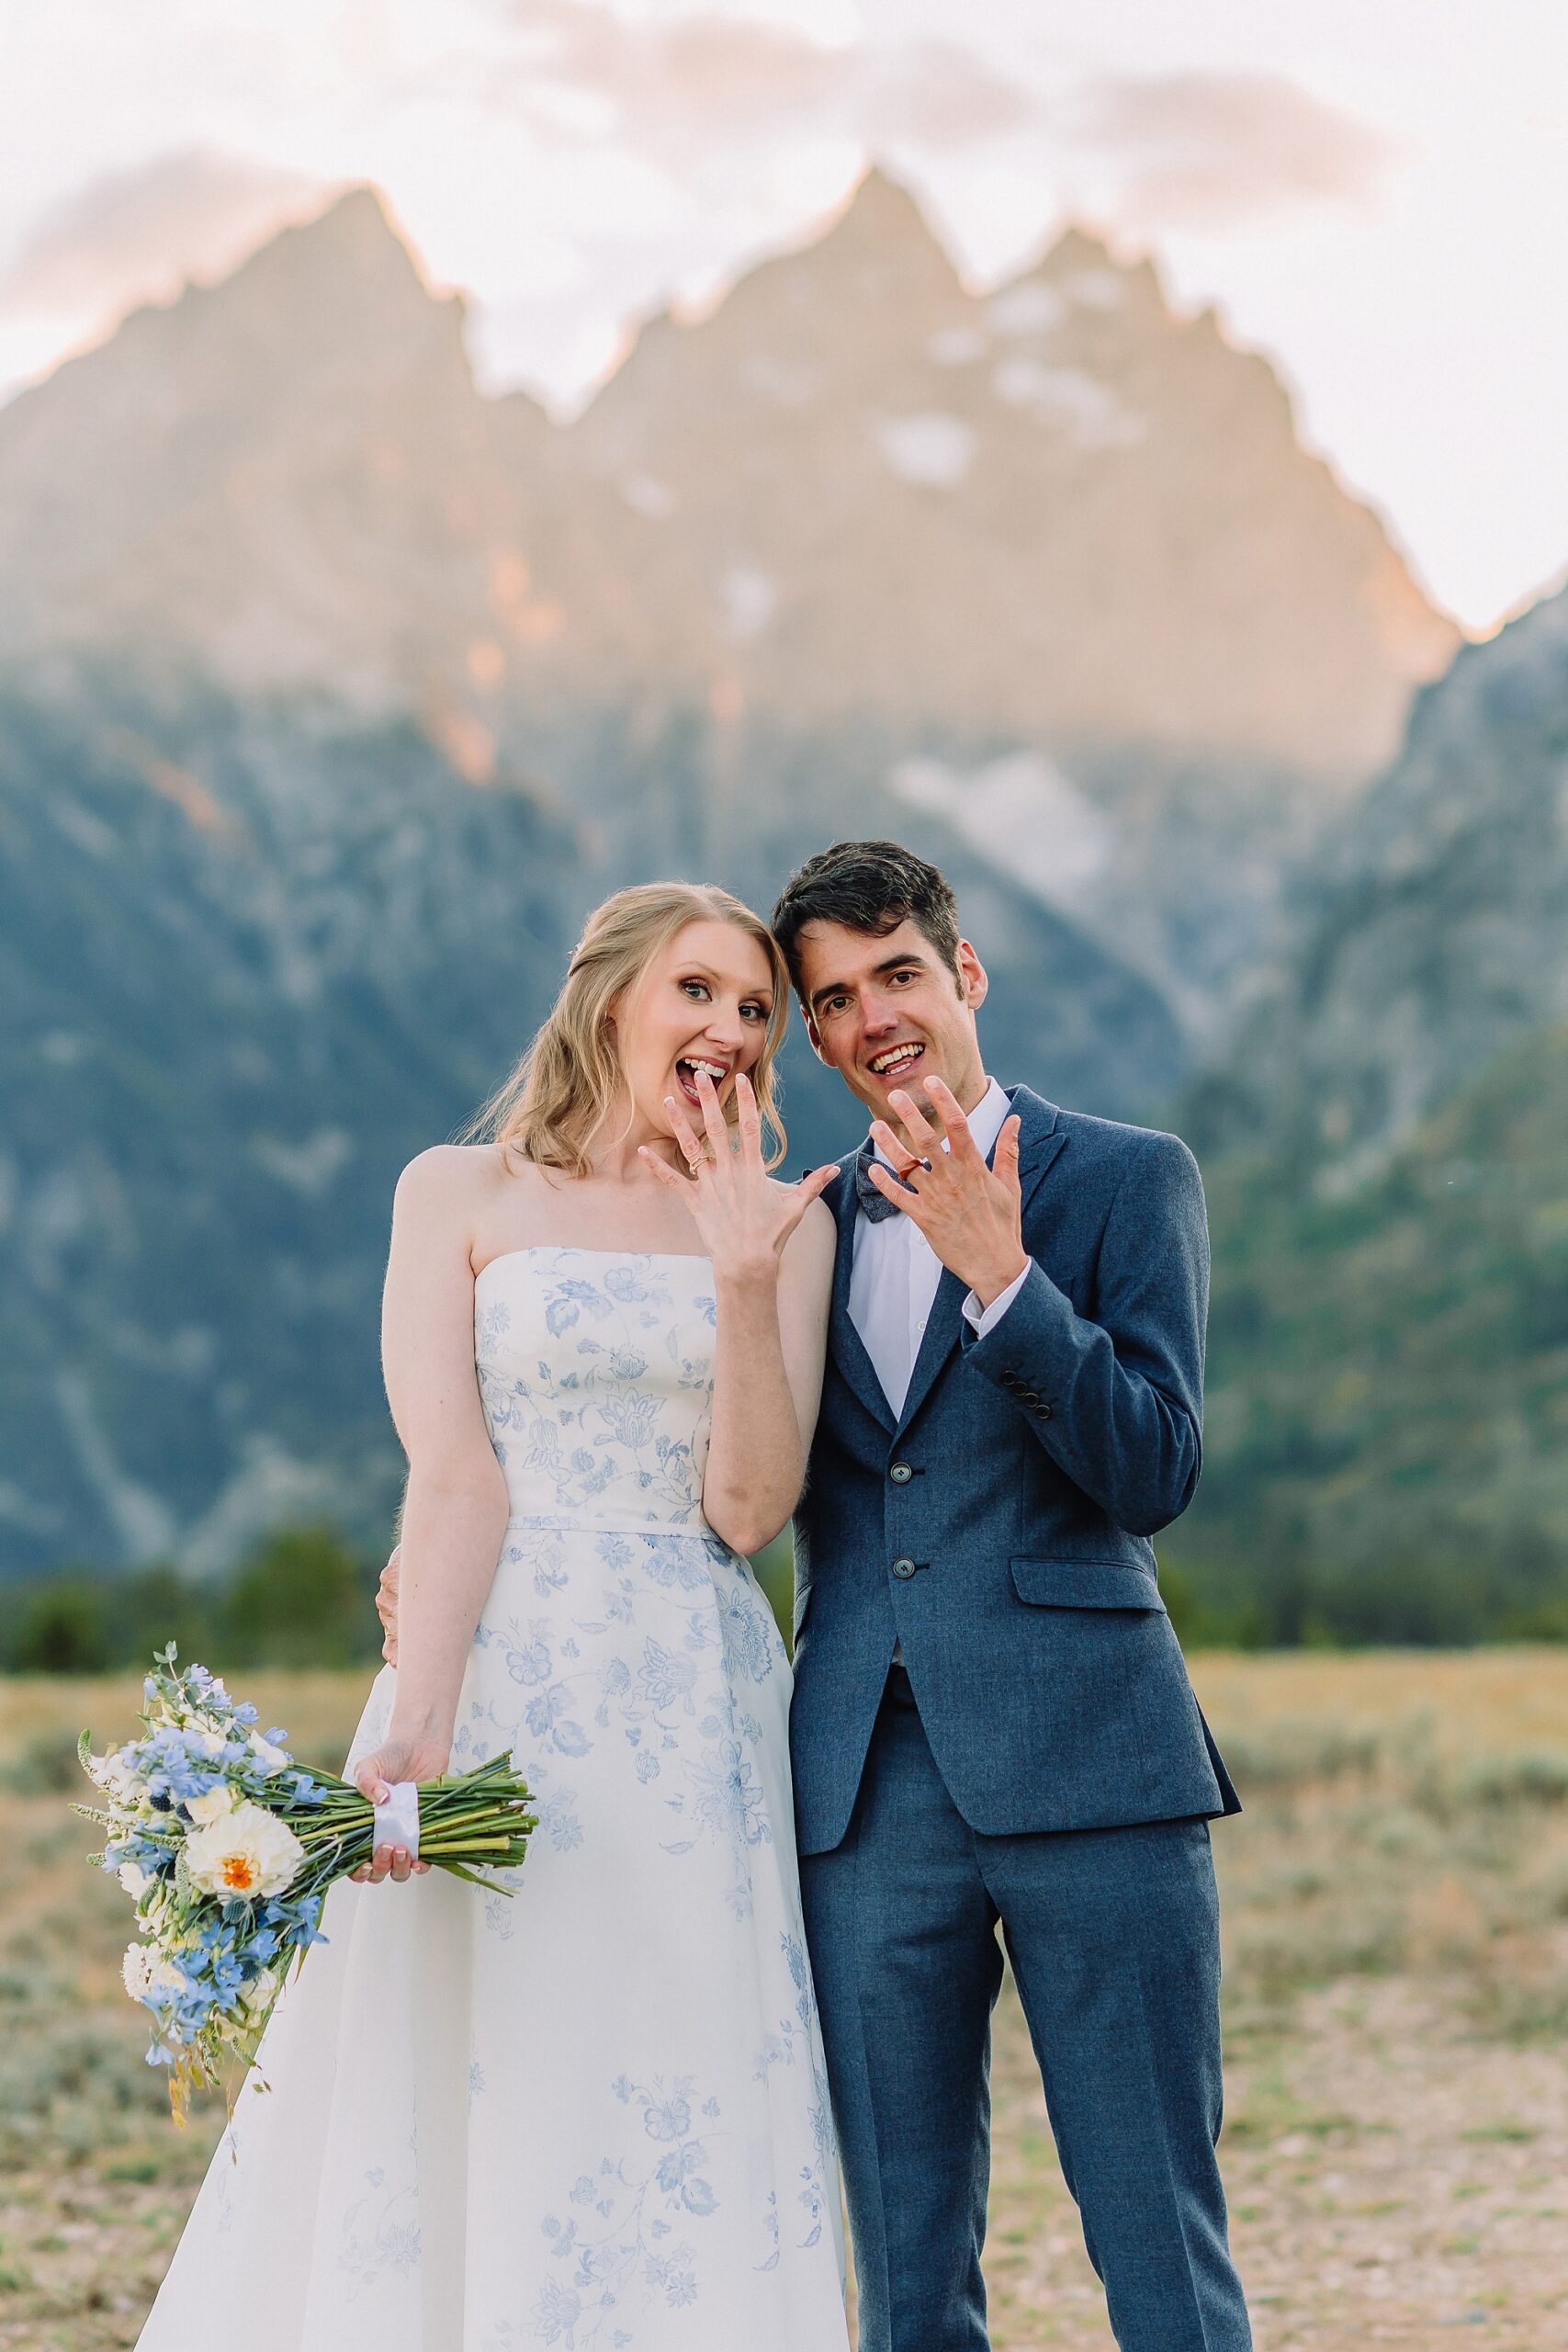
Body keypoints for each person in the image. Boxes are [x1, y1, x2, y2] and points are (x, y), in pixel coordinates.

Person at [378, 841, 1255, 2352]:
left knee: (1153, 2223)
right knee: (906, 2261)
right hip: (856, 1790)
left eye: (897, 976)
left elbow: (1158, 1469)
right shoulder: (799, 1219)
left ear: (964, 976)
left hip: (1093, 1764)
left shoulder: (1125, 1176)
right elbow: (738, 1480)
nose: (870, 1019)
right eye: (832, 1000)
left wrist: (1008, 1286)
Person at [135, 882, 852, 2352]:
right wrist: (418, 1728)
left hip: (690, 1702)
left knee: (678, 2052)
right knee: (482, 2055)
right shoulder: (453, 1195)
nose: (731, 1030)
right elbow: (455, 1477)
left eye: (758, 1009)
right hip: (509, 1665)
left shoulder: (791, 1223)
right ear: (610, 1001)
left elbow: (749, 1510)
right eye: (698, 992)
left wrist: (739, 1269)